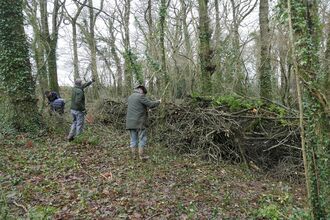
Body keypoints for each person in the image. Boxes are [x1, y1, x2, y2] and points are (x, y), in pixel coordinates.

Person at [126, 84, 161, 160]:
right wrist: (159, 101)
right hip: (140, 123)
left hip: (130, 123)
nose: (144, 95)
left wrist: (145, 109)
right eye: (144, 93)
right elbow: (151, 104)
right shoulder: (140, 96)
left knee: (133, 139)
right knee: (142, 138)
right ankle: (141, 156)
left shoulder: (130, 97)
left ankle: (133, 156)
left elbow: (136, 108)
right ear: (141, 90)